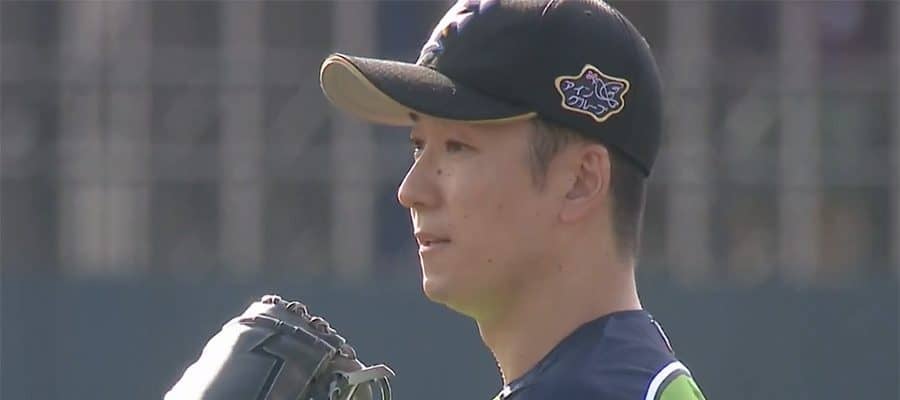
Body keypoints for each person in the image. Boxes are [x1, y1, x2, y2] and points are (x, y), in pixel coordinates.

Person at [319, 0, 707, 399]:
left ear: (580, 181)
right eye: (418, 145)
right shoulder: (629, 375)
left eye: (457, 147)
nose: (410, 191)